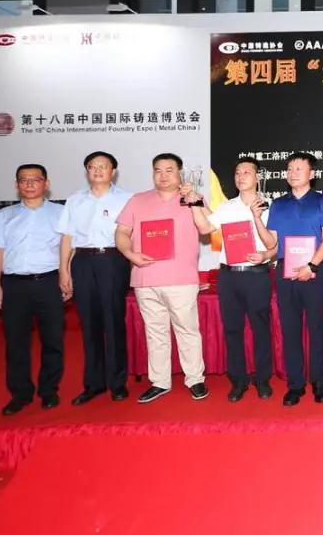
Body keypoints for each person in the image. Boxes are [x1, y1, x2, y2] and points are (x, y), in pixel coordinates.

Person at [115, 153, 210, 403]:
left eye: (169, 170)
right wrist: (130, 254)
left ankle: (195, 379)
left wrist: (194, 200)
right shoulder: (138, 200)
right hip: (145, 278)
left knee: (187, 330)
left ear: (180, 173)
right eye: (158, 170)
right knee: (155, 332)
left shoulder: (193, 198)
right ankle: (160, 381)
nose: (163, 175)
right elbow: (122, 232)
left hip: (181, 278)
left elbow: (207, 228)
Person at [187, 157, 277, 402]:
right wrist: (194, 204)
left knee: (260, 329)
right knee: (232, 329)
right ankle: (238, 381)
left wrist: (264, 255)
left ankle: (262, 379)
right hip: (229, 276)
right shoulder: (227, 207)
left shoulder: (270, 206)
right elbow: (205, 228)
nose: (241, 176)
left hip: (257, 275)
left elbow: (274, 243)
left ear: (257, 177)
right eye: (238, 172)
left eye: (247, 172)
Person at [0, 164, 66, 416]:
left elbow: (68, 250)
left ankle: (49, 390)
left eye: (35, 179)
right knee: (16, 342)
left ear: (46, 183)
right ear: (16, 184)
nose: (29, 184)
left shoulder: (61, 213)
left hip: (49, 282)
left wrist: (67, 277)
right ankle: (20, 394)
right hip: (14, 285)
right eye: (23, 180)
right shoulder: (4, 216)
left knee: (53, 340)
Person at [57, 151, 133, 406]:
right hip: (82, 261)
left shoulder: (127, 199)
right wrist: (64, 270)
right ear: (87, 171)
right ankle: (94, 383)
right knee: (89, 324)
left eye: (103, 166)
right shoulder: (74, 200)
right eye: (93, 166)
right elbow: (67, 237)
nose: (98, 170)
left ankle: (118, 383)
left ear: (113, 171)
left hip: (113, 260)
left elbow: (134, 234)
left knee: (113, 321)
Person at [265, 152, 323, 406]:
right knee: (290, 329)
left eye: (298, 168)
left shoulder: (322, 201)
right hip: (285, 272)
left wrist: (312, 265)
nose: (292, 173)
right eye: (289, 169)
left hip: (315, 270)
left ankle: (319, 382)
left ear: (311, 174)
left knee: (316, 327)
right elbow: (272, 243)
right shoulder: (277, 204)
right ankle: (295, 384)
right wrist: (258, 223)